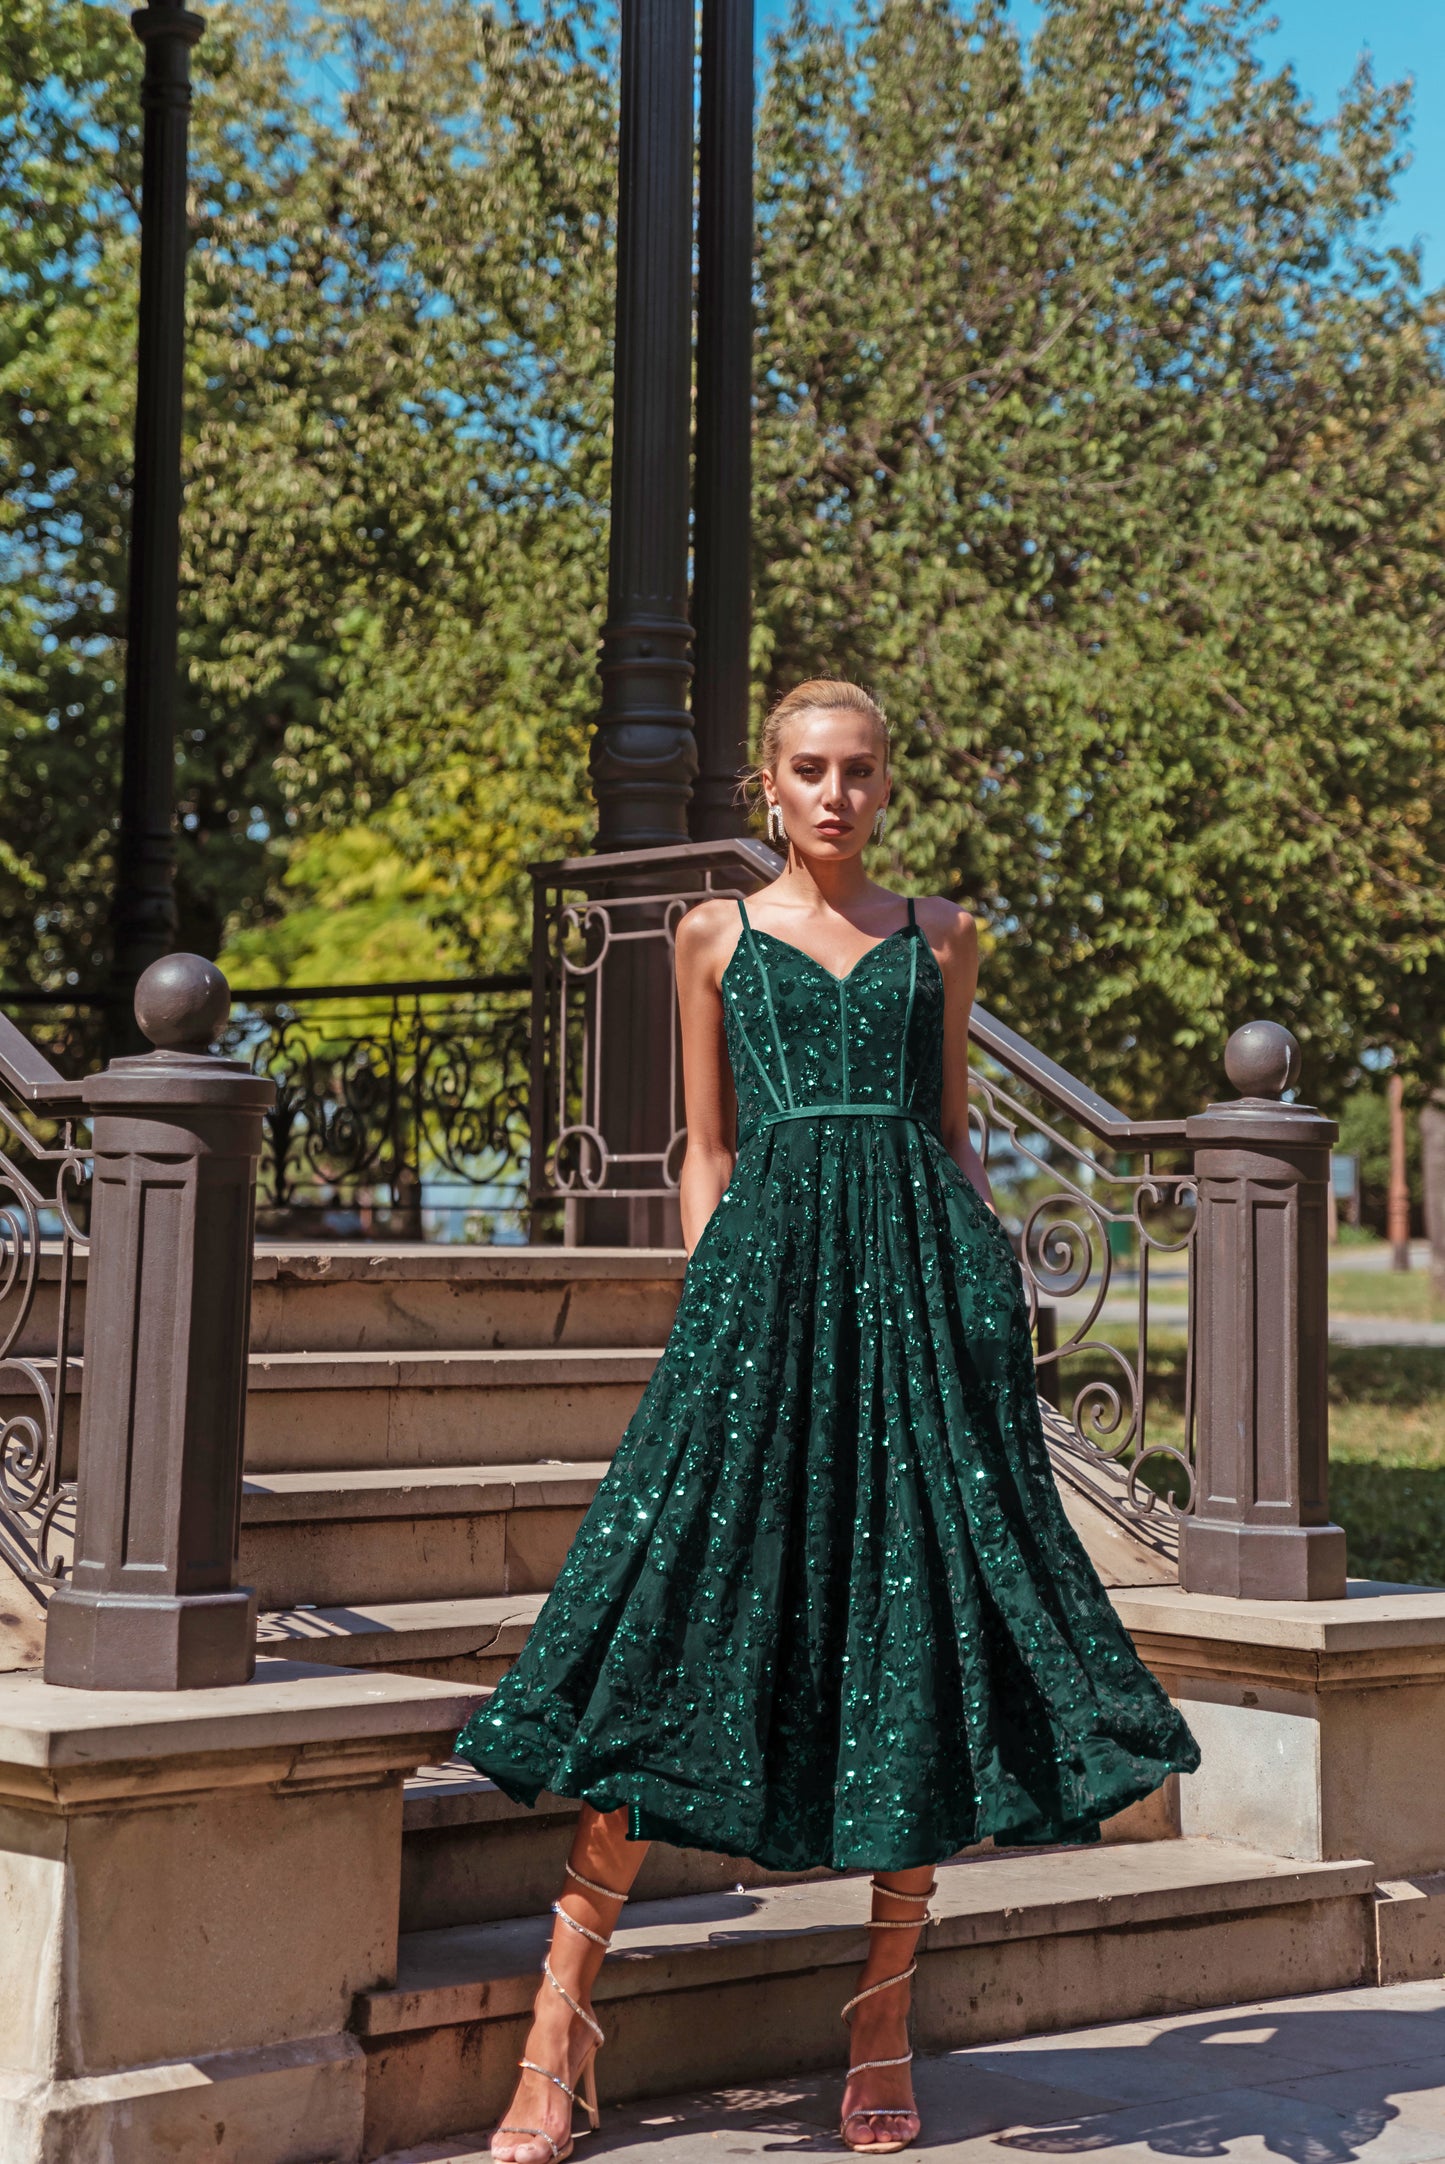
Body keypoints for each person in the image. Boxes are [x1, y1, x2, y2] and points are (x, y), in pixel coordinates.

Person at [454, 678, 1200, 2161]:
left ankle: (881, 2008)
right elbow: (705, 1146)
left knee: (910, 1626)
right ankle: (558, 2018)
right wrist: (711, 1303)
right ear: (767, 790)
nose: (837, 794)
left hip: (926, 1305)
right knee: (672, 1613)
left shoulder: (940, 937)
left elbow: (950, 1137)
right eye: (810, 771)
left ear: (884, 785)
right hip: (764, 1301)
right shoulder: (710, 935)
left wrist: (990, 1303)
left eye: (860, 770)